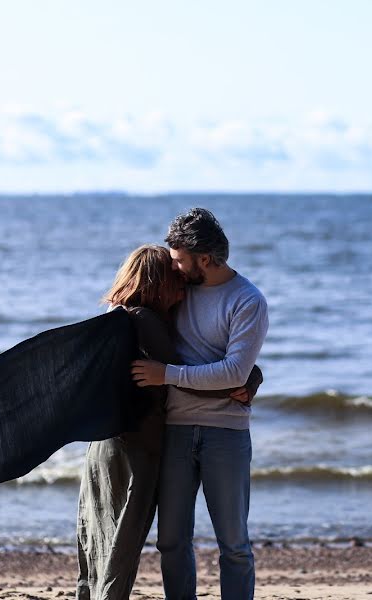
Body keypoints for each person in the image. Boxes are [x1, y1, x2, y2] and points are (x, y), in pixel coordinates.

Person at [76, 244, 262, 600]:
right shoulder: (145, 322)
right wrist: (244, 380)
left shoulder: (122, 317)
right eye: (173, 276)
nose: (182, 286)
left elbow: (173, 374)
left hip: (108, 447)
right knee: (122, 549)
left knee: (102, 540)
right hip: (135, 452)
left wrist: (248, 375)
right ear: (158, 283)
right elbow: (177, 377)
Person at [131, 209, 269, 600]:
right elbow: (125, 310)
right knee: (171, 541)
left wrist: (168, 375)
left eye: (177, 258)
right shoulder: (176, 291)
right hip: (174, 430)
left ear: (204, 259)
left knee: (234, 544)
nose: (172, 265)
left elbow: (234, 374)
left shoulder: (247, 300)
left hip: (226, 433)